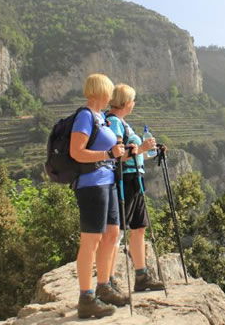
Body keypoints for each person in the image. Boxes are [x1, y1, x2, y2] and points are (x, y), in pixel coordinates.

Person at [69, 73, 135, 319]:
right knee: (91, 240)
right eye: (108, 91)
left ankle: (104, 286)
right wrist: (108, 154)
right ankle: (86, 298)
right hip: (91, 184)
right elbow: (77, 152)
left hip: (108, 182)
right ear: (99, 91)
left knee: (111, 234)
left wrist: (120, 153)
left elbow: (108, 152)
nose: (111, 96)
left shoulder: (100, 118)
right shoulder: (85, 116)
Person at [104, 84, 165, 292]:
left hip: (135, 179)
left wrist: (152, 151)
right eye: (133, 100)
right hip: (124, 180)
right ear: (126, 102)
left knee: (139, 228)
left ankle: (142, 276)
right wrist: (142, 148)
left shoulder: (122, 123)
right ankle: (108, 280)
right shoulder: (113, 122)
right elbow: (117, 155)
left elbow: (134, 153)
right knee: (117, 231)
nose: (134, 103)